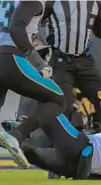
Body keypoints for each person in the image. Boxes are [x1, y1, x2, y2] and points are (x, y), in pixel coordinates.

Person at [1, 76, 101, 180]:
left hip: (80, 145)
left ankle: (23, 127)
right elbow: (97, 176)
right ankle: (17, 132)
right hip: (73, 167)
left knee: (51, 103)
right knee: (25, 151)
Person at [0, 0, 65, 169]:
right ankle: (17, 134)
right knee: (57, 99)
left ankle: (13, 132)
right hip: (11, 57)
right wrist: (37, 60)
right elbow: (16, 27)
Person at [41, 0, 101, 131]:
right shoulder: (52, 2)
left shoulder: (94, 3)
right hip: (59, 60)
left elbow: (98, 28)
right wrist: (34, 39)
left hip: (84, 61)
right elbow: (33, 21)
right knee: (64, 104)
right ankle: (59, 145)